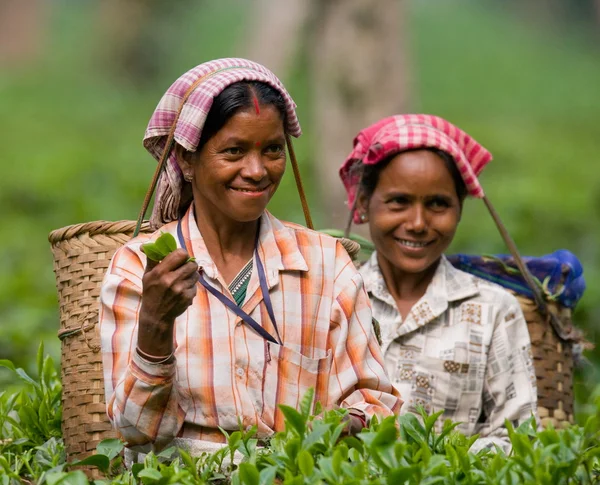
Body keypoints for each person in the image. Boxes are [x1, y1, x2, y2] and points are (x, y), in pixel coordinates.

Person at [99, 58, 401, 457]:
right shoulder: (138, 267)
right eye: (234, 151)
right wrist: (155, 324)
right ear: (187, 159)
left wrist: (330, 430)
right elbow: (135, 434)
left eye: (272, 150)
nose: (257, 171)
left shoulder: (327, 266)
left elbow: (376, 404)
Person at [339, 114, 538, 452]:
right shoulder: (335, 296)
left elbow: (520, 442)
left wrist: (427, 456)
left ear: (460, 209)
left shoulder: (492, 310)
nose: (417, 223)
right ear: (363, 204)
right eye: (399, 201)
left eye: (437, 204)